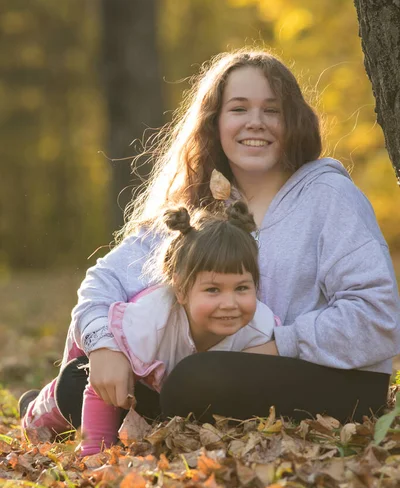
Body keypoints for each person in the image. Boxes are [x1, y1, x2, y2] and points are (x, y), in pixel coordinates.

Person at [20, 48, 400, 437]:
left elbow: (378, 317)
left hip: (334, 378)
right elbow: (103, 280)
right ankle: (100, 408)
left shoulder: (328, 195)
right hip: (220, 377)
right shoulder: (197, 205)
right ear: (214, 123)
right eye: (238, 109)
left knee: (195, 379)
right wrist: (104, 348)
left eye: (272, 110)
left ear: (294, 121)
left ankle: (157, 409)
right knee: (83, 380)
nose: (256, 123)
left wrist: (274, 346)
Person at [79, 200, 278, 455]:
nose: (230, 304)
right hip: (115, 340)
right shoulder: (151, 321)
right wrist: (93, 454)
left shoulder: (260, 329)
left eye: (241, 288)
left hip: (167, 380)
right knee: (74, 392)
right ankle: (39, 410)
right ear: (181, 290)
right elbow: (103, 387)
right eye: (213, 290)